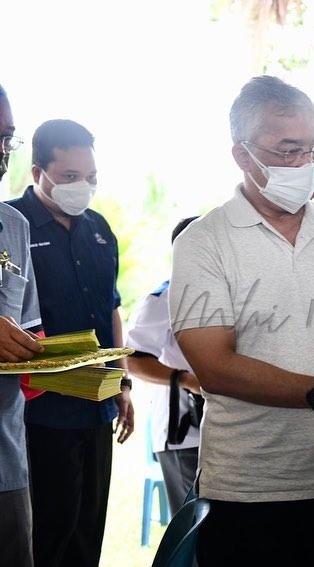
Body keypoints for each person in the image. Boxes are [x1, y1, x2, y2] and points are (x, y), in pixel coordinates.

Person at [170, 75, 314, 567]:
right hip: (246, 492)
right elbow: (215, 366)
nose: (305, 164)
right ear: (242, 155)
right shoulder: (203, 242)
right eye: (288, 150)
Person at [8, 119, 133, 567]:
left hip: (96, 405)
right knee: (44, 533)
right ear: (37, 172)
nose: (83, 187)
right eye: (69, 177)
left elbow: (111, 308)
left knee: (87, 530)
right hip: (36, 411)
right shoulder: (10, 227)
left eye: (91, 177)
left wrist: (122, 384)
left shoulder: (100, 230)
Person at [126, 217, 202, 515]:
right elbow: (134, 361)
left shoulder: (229, 294)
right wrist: (189, 381)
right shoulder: (162, 298)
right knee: (193, 529)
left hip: (223, 433)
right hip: (184, 435)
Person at [0, 83, 45, 567]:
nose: (0, 149)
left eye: (7, 136)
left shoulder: (14, 226)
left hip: (6, 460)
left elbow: (28, 329)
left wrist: (67, 364)